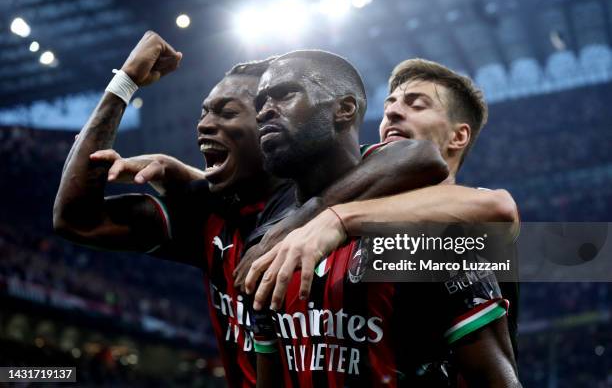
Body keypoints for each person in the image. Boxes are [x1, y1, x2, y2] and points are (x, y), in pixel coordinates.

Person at [53, 32, 448, 387]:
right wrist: (124, 83)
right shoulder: (208, 214)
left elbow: (420, 157)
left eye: (226, 113)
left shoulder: (366, 192)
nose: (203, 126)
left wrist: (316, 216)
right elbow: (75, 219)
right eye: (205, 113)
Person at [243, 52, 520, 386]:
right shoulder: (338, 213)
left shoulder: (454, 233)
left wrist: (337, 217)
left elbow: (500, 208)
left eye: (417, 105)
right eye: (390, 103)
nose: (392, 111)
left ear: (458, 136)